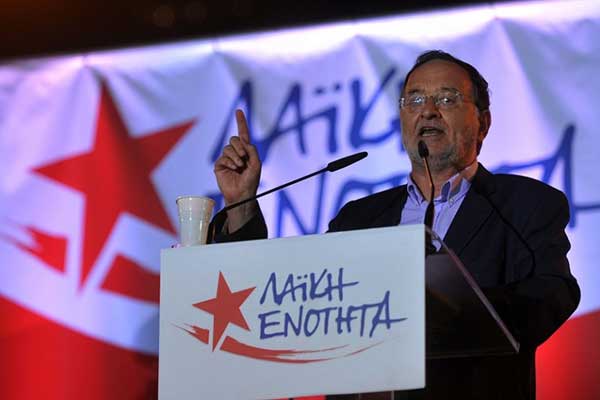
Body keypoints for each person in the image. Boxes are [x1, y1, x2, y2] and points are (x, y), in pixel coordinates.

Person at [212, 50, 581, 399]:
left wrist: (449, 309)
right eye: (415, 100)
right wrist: (240, 204)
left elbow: (552, 294)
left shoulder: (523, 204)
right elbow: (292, 301)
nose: (429, 111)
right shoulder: (358, 218)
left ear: (482, 123)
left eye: (447, 98)